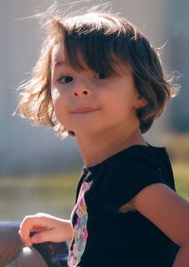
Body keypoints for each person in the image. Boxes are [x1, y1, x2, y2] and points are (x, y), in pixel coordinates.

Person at [16, 2, 189, 267]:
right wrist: (71, 228)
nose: (80, 89)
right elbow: (125, 235)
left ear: (141, 93)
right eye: (66, 79)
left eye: (100, 74)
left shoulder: (128, 172)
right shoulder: (108, 167)